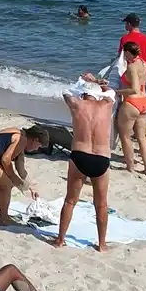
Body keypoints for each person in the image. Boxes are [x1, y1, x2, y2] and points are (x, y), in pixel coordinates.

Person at [53, 74, 117, 251]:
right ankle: (102, 244)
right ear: (99, 95)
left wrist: (86, 83)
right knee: (101, 204)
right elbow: (110, 92)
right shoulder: (107, 105)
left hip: (79, 156)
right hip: (101, 158)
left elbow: (66, 91)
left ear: (83, 94)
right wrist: (99, 83)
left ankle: (60, 240)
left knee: (70, 201)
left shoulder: (77, 105)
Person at [0, 126, 47, 224]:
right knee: (8, 185)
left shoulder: (17, 133)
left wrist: (32, 187)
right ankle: (4, 218)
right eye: (39, 146)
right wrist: (13, 176)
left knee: (3, 185)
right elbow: (5, 160)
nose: (37, 149)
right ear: (35, 140)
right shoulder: (21, 140)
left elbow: (21, 169)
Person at [114, 40, 146, 176]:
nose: (123, 56)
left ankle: (130, 167)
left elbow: (134, 89)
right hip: (144, 102)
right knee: (142, 137)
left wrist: (117, 92)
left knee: (125, 136)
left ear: (129, 53)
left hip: (132, 103)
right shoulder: (145, 64)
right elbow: (142, 85)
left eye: (124, 53)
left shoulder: (132, 67)